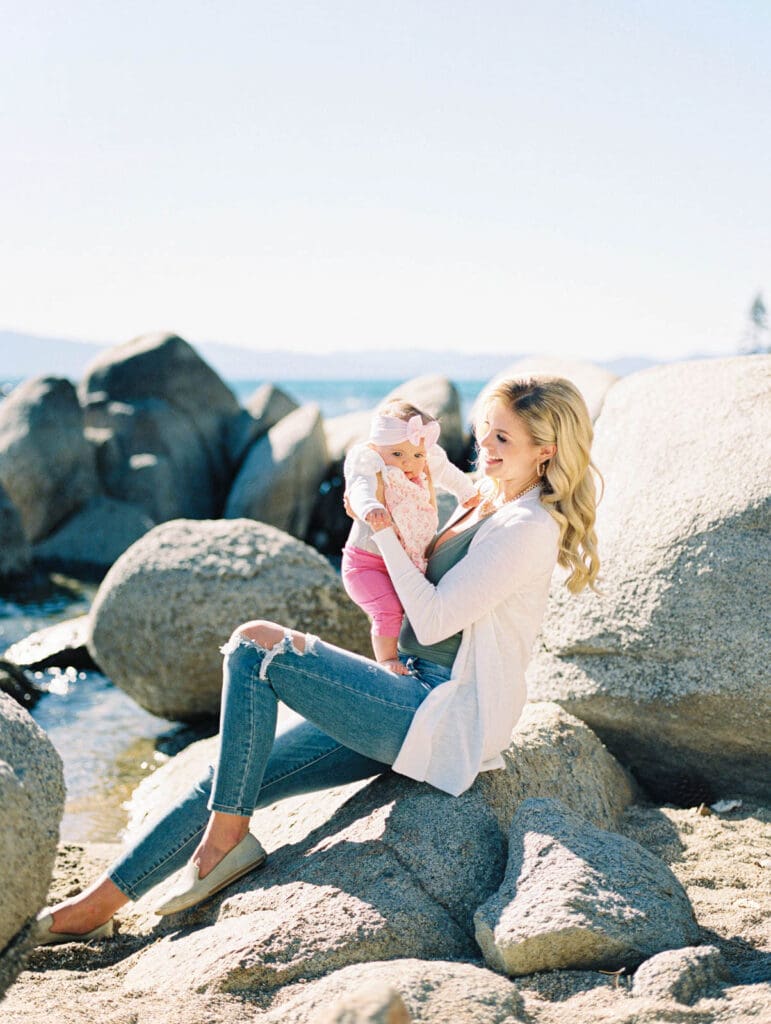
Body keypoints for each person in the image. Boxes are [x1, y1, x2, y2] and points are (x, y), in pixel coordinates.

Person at [35, 375, 600, 944]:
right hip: (407, 690)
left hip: (440, 713)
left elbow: (431, 620)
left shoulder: (526, 528)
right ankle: (94, 906)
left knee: (258, 646)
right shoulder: (487, 497)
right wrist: (376, 480)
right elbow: (388, 462)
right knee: (235, 773)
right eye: (483, 432)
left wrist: (379, 531)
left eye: (503, 438)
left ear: (546, 450)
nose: (486, 448)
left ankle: (227, 839)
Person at [342, 398, 478, 674]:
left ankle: (406, 658)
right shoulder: (372, 465)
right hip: (365, 564)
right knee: (388, 610)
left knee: (408, 610)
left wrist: (467, 493)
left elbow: (449, 474)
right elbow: (359, 488)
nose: (408, 464)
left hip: (403, 563)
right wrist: (371, 507)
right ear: (377, 450)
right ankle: (386, 661)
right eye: (397, 455)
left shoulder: (425, 464)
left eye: (416, 455)